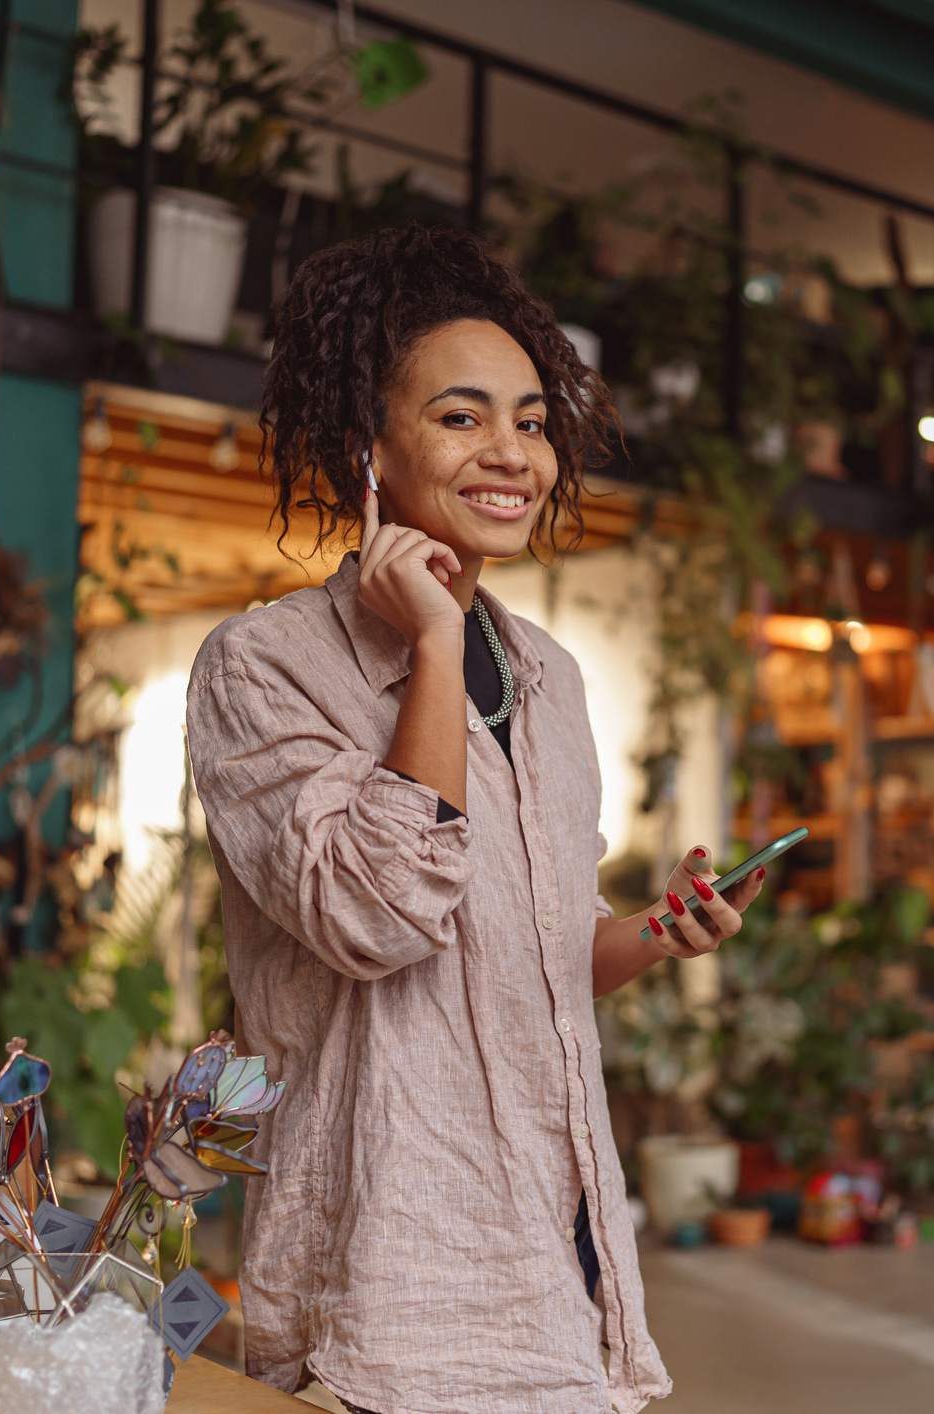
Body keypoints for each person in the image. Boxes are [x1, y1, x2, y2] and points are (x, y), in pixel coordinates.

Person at [185, 223, 767, 1414]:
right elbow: (379, 912)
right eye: (461, 417)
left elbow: (542, 960)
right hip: (396, 1283)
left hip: (565, 1260)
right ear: (369, 449)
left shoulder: (550, 677)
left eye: (533, 419)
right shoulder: (264, 666)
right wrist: (438, 643)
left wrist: (660, 930)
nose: (513, 452)